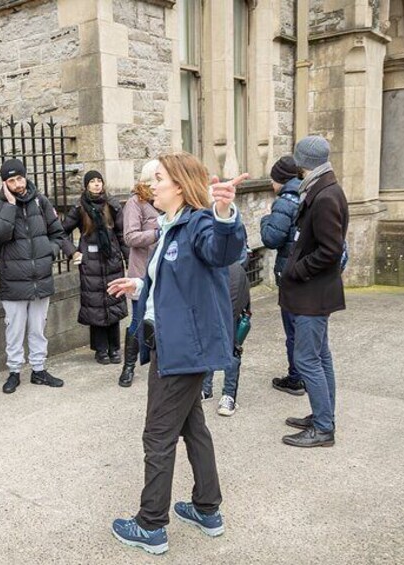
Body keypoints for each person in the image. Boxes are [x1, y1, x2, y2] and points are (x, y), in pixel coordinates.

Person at [107, 152, 248, 555]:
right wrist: (138, 287)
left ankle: (150, 525)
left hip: (183, 348)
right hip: (174, 343)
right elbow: (177, 282)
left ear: (181, 186)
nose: (153, 185)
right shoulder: (170, 225)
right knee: (193, 427)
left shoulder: (201, 222)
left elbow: (222, 250)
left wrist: (224, 211)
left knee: (158, 434)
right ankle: (208, 508)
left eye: (161, 179)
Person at [279, 136, 348, 448]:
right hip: (316, 292)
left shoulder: (324, 196)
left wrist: (296, 269)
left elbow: (330, 251)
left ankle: (323, 428)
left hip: (312, 293)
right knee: (320, 356)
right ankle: (323, 416)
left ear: (303, 161)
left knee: (307, 359)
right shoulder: (324, 188)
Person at [0, 158, 76, 394]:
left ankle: (39, 369)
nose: (17, 184)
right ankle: (14, 372)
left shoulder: (40, 201)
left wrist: (50, 252)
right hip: (14, 280)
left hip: (40, 277)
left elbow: (58, 233)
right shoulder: (0, 206)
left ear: (25, 176)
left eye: (19, 178)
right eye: (11, 180)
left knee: (38, 327)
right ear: (4, 183)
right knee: (14, 329)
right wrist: (9, 204)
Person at [62, 170, 128, 365]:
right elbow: (61, 232)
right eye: (93, 182)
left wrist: (127, 258)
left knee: (113, 301)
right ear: (86, 185)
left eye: (99, 181)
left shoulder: (112, 204)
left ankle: (115, 348)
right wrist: (73, 252)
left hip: (111, 260)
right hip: (90, 262)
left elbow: (122, 233)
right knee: (96, 306)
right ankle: (100, 349)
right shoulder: (79, 207)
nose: (97, 184)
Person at [260, 155, 305, 395]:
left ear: (280, 179)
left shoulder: (285, 202)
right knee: (306, 329)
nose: (271, 185)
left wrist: (266, 220)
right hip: (308, 274)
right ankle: (306, 374)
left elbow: (271, 238)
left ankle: (296, 377)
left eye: (272, 179)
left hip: (291, 275)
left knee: (294, 330)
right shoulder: (309, 194)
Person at [118, 160, 160, 387]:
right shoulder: (136, 202)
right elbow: (130, 237)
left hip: (165, 270)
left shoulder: (167, 201)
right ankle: (128, 367)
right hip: (142, 271)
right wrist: (157, 233)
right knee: (138, 320)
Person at [201, 235, 251, 416]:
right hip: (211, 272)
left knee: (231, 337)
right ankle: (206, 388)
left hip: (233, 274)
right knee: (208, 337)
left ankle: (228, 395)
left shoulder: (229, 220)